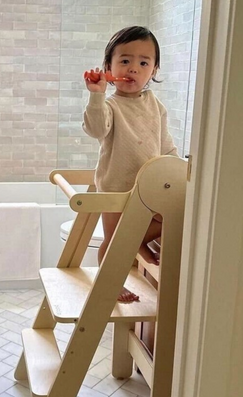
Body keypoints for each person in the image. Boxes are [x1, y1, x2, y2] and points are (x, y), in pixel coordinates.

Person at [83, 26, 178, 302]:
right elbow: (96, 129)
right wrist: (97, 94)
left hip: (151, 188)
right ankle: (109, 284)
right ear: (109, 67)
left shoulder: (155, 105)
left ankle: (137, 240)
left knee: (172, 214)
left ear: (154, 70)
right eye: (125, 60)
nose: (133, 68)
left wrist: (179, 171)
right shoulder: (110, 106)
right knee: (114, 244)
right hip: (116, 187)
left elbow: (165, 144)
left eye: (143, 62)